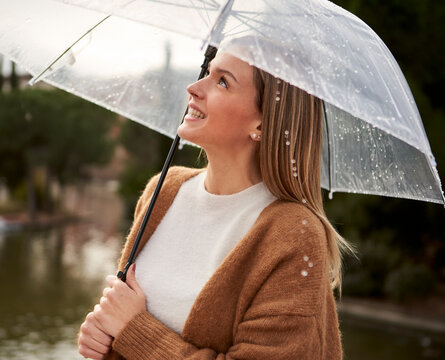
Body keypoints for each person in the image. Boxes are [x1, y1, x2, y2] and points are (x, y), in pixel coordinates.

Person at [77, 51, 353, 360]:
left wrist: (133, 331)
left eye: (222, 81)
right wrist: (104, 338)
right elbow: (122, 314)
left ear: (262, 122)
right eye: (207, 72)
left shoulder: (293, 235)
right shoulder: (164, 190)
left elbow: (133, 326)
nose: (194, 88)